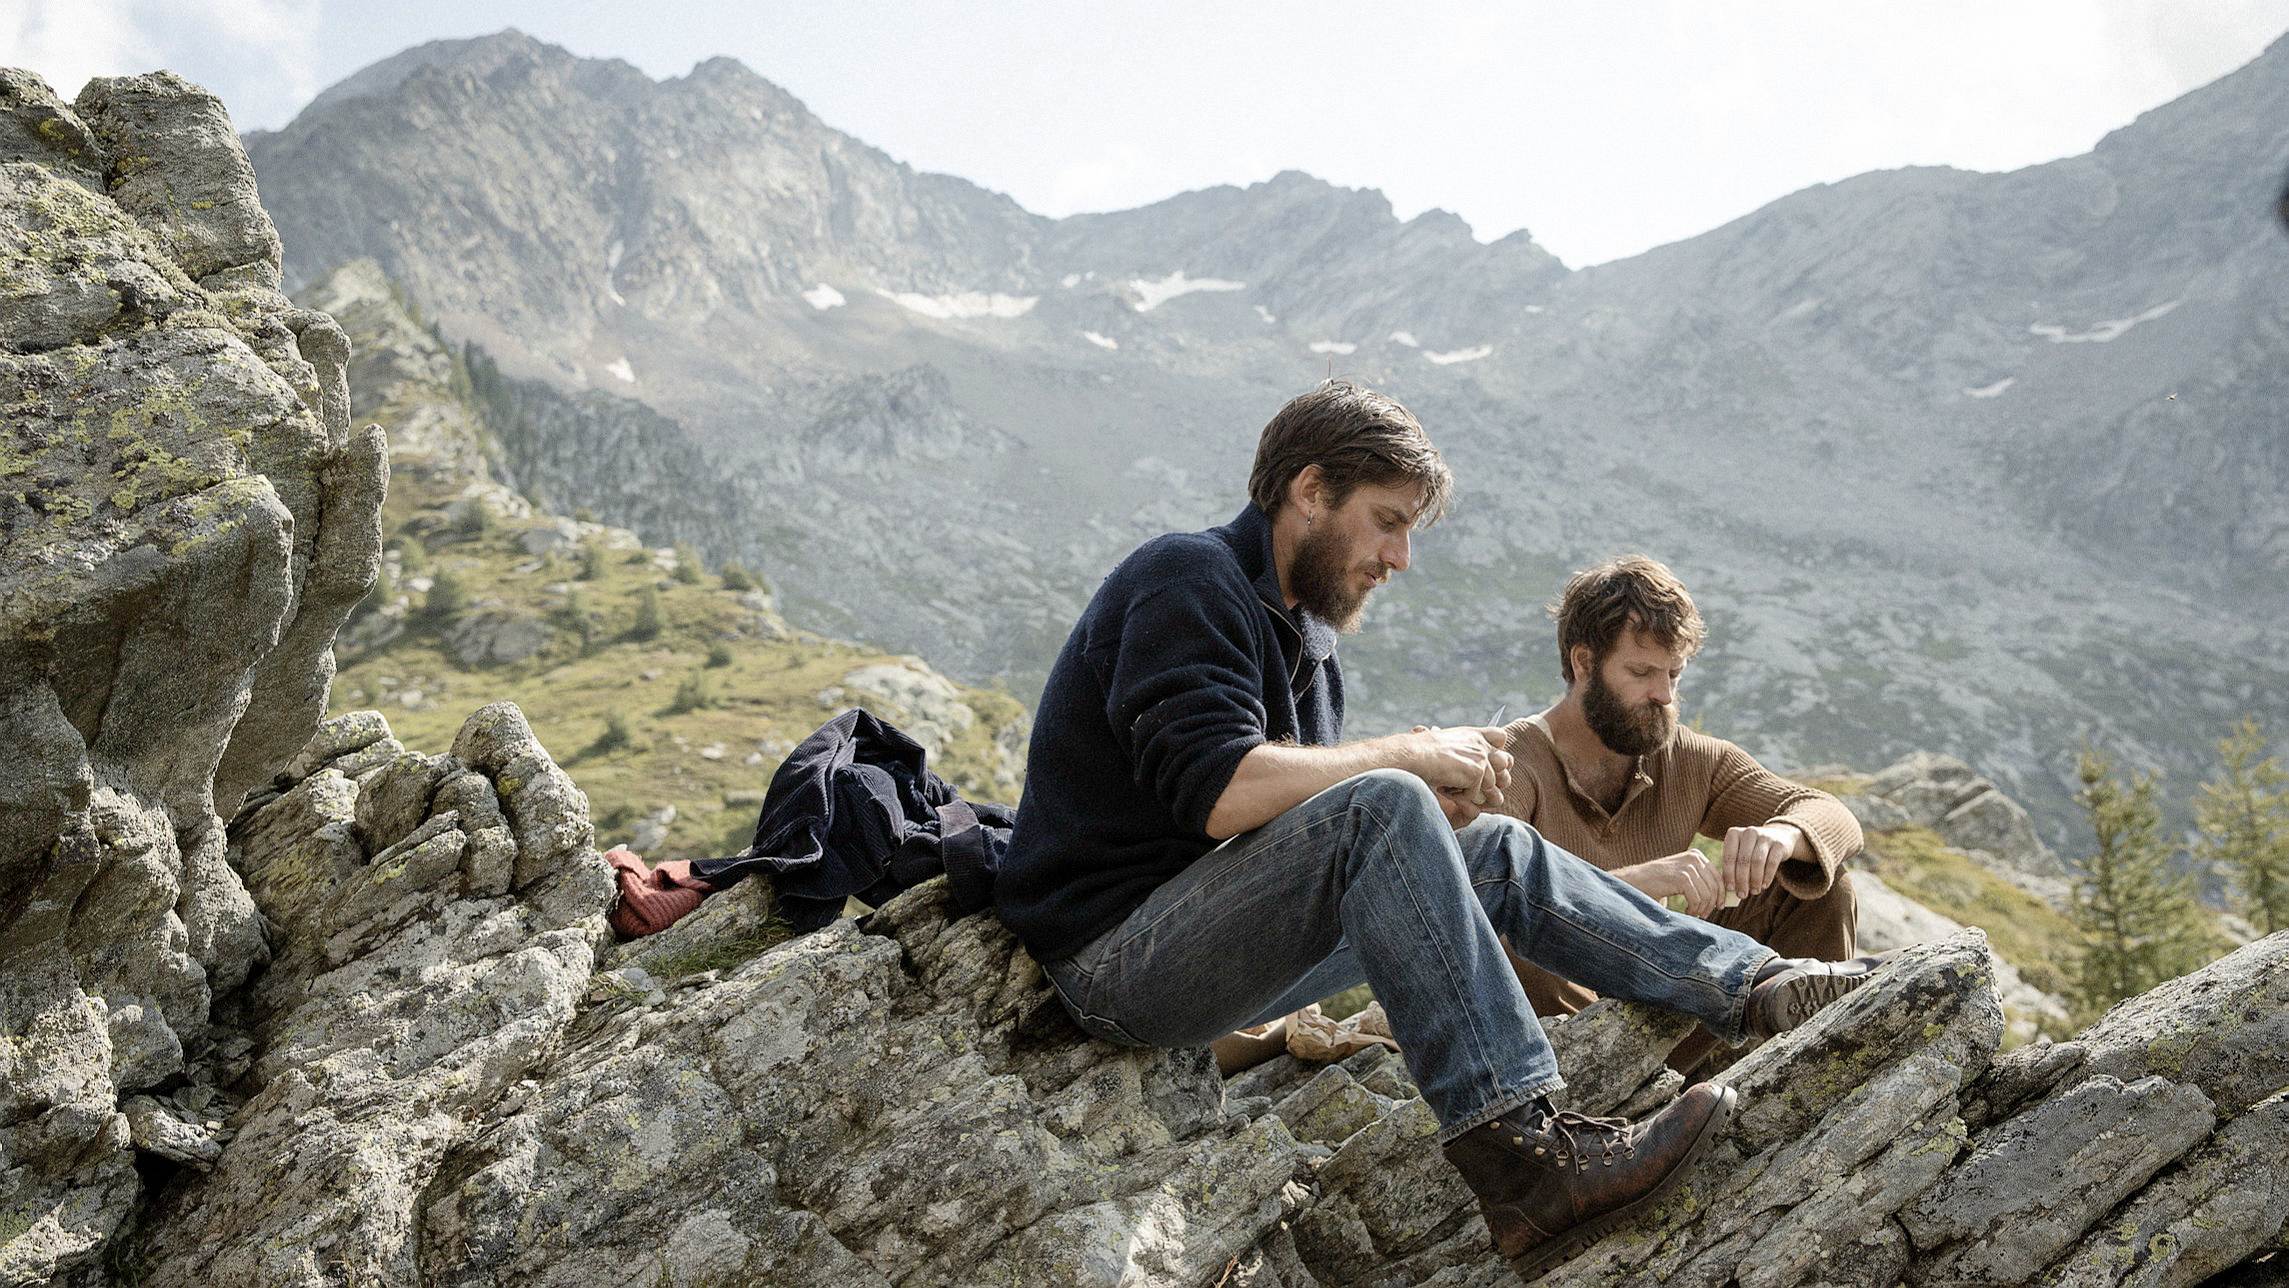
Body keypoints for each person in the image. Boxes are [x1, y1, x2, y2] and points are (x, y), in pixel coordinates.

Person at [993, 380, 1886, 1279]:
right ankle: (1529, 1163)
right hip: (1113, 963)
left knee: (1488, 853)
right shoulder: (1187, 578)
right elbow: (1217, 791)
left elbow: (1279, 841)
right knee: (1386, 803)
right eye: (1387, 521)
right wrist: (1402, 770)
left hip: (1200, 943)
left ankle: (1760, 987)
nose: (1400, 556)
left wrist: (1427, 828)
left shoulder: (1306, 646)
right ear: (1310, 491)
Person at [1491, 555, 1865, 1073]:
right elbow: (1467, 902)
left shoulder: (1690, 759)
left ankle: (1811, 1081)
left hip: (1667, 1019)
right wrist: (1633, 885)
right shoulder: (1510, 764)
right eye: (1642, 672)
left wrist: (1782, 835)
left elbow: (1833, 815)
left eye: (1674, 673)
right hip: (1554, 1045)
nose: (1664, 694)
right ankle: (1600, 1106)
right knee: (1514, 931)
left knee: (1823, 887)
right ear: (1583, 664)